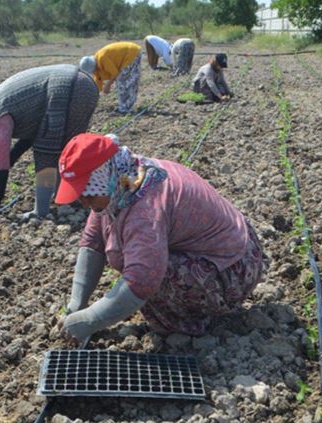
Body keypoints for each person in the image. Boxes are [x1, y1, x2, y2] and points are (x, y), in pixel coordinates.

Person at [54, 133, 265, 342]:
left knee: (153, 268)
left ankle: (188, 326)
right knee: (140, 256)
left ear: (104, 178)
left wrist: (91, 320)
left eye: (88, 193)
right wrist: (76, 305)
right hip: (228, 251)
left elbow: (143, 279)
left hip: (233, 268)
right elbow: (93, 241)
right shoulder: (124, 179)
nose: (84, 202)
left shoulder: (145, 208)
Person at [0, 64, 98, 218]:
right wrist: (12, 157)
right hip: (86, 84)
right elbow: (29, 136)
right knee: (68, 147)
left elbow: (0, 166)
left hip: (67, 89)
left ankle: (40, 212)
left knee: (45, 151)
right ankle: (68, 198)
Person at [79, 42, 142, 114]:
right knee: (126, 82)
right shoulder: (96, 66)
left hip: (131, 53)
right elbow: (97, 82)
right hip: (131, 52)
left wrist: (108, 85)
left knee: (123, 82)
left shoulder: (102, 58)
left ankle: (124, 109)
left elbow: (115, 73)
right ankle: (126, 106)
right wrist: (93, 100)